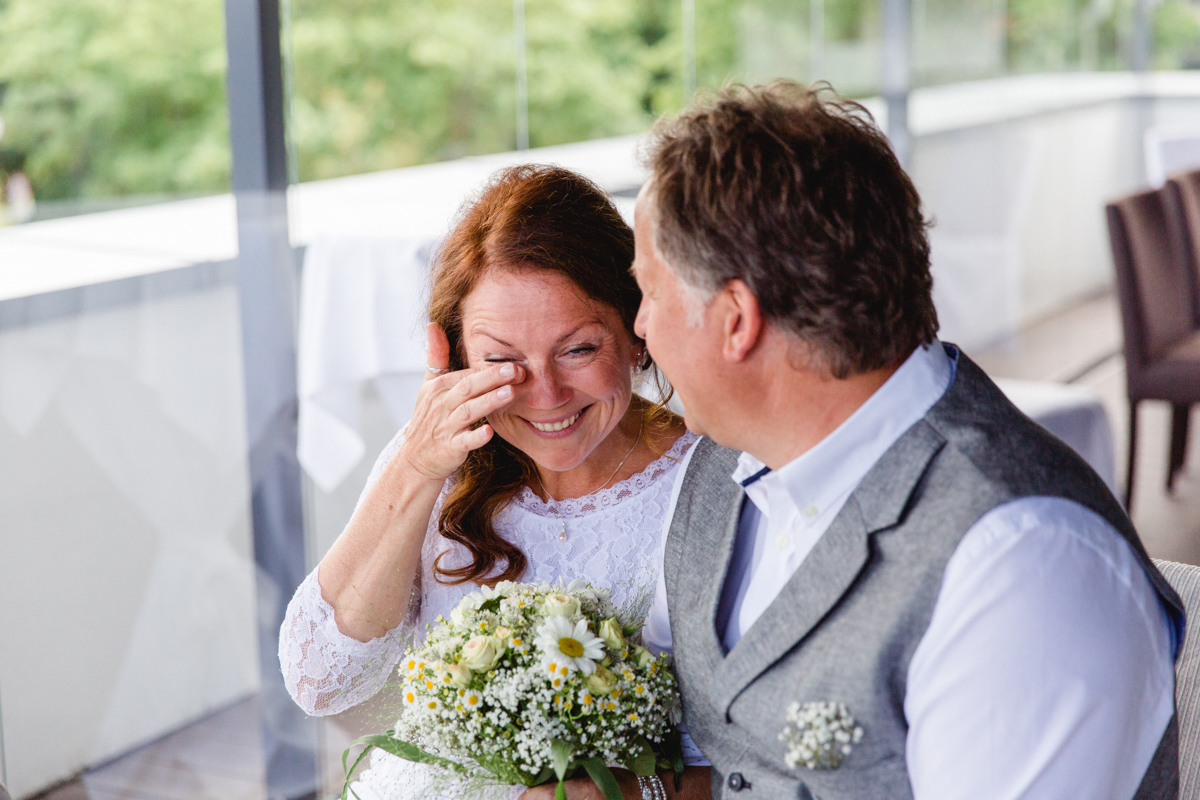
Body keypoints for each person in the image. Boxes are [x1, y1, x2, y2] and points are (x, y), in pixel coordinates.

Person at [628, 83, 1184, 799]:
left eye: (648, 291)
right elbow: (696, 745)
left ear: (736, 318)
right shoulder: (714, 468)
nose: (640, 326)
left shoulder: (1025, 562)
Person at [279, 164, 704, 800]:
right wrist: (417, 468)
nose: (547, 396)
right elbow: (320, 680)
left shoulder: (712, 481)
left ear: (635, 332)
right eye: (502, 361)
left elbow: (755, 762)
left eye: (578, 349)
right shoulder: (433, 463)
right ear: (452, 356)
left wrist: (637, 793)